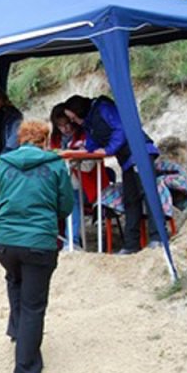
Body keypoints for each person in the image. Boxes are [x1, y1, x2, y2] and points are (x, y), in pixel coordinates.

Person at [0, 120, 74, 373]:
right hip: (38, 242)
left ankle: (17, 331)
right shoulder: (55, 164)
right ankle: (26, 368)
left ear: (21, 139)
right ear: (44, 141)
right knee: (34, 304)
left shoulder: (4, 163)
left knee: (15, 279)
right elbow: (65, 204)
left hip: (5, 242)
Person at [64, 94, 160, 254]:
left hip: (139, 152)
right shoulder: (89, 121)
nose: (73, 122)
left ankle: (157, 238)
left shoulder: (103, 107)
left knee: (147, 194)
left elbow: (121, 128)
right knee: (131, 199)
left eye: (73, 118)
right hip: (128, 159)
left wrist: (108, 149)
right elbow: (93, 141)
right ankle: (131, 245)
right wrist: (87, 150)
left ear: (79, 111)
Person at [49, 103, 111, 250]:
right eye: (61, 125)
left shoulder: (86, 134)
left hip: (89, 185)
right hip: (64, 184)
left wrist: (70, 158)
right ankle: (54, 242)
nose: (66, 129)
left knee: (71, 198)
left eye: (67, 123)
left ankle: (72, 242)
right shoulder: (55, 139)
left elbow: (89, 164)